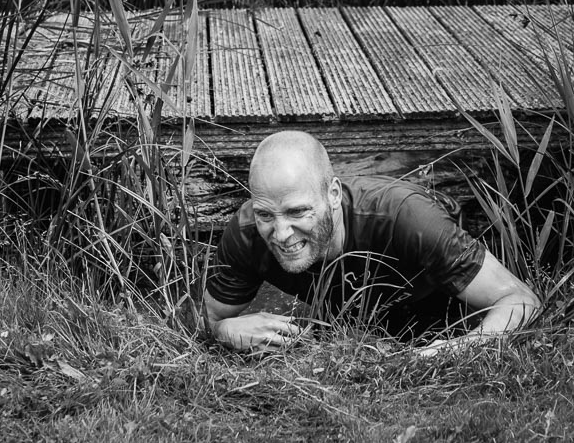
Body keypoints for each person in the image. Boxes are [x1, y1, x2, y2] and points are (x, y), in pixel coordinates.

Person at [203, 130, 541, 354]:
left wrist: (450, 351)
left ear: (333, 195)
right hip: (349, 313)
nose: (280, 233)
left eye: (297, 212)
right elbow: (209, 319)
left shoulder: (405, 218)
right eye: (266, 215)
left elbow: (521, 300)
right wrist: (225, 331)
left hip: (430, 299)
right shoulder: (247, 231)